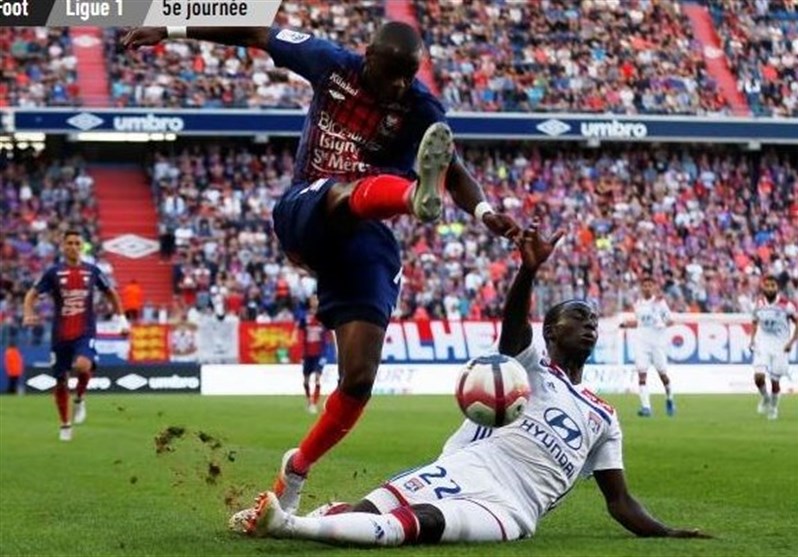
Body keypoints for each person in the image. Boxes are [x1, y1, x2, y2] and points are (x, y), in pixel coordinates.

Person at [123, 23, 520, 511]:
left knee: (359, 378)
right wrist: (171, 28)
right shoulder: (330, 64)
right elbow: (257, 31)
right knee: (340, 192)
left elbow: (455, 173)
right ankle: (412, 196)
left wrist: (484, 212)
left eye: (409, 75)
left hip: (365, 234)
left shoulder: (421, 108)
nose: (401, 85)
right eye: (393, 74)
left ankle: (294, 473)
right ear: (368, 56)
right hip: (307, 208)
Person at [228, 222, 708, 545]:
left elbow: (619, 500)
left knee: (420, 526)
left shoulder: (604, 415)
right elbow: (513, 331)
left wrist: (667, 533)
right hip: (468, 464)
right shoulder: (529, 369)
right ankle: (313, 513)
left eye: (593, 321)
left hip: (513, 506)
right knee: (368, 510)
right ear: (550, 331)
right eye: (577, 317)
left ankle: (288, 525)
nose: (589, 325)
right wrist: (528, 271)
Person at [23, 230, 130, 441]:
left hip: (85, 331)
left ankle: (79, 398)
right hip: (60, 334)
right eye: (69, 243)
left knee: (82, 366)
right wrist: (28, 313)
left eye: (76, 243)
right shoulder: (53, 272)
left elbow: (111, 293)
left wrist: (122, 321)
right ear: (63, 246)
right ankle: (65, 424)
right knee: (60, 381)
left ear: (82, 247)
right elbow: (32, 294)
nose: (73, 246)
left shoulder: (92, 271)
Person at [619, 275, 675, 417]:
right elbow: (640, 323)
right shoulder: (638, 304)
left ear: (654, 287)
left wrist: (662, 323)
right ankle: (646, 407)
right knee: (642, 374)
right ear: (641, 288)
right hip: (641, 343)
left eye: (650, 285)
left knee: (663, 375)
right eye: (645, 285)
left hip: (657, 344)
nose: (647, 288)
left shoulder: (660, 302)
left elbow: (670, 321)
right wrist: (626, 324)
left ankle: (669, 399)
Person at [749, 275, 798, 420]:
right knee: (758, 377)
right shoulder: (758, 303)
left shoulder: (786, 305)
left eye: (773, 285)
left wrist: (791, 342)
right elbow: (754, 322)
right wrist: (752, 339)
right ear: (763, 287)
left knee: (775, 380)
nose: (770, 288)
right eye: (767, 285)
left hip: (780, 346)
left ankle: (774, 407)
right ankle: (765, 398)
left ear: (777, 287)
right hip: (762, 343)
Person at [295, 295, 330, 414]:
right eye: (312, 300)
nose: (314, 302)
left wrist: (328, 350)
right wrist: (301, 352)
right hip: (307, 353)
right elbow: (299, 331)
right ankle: (309, 401)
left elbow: (329, 333)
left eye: (316, 300)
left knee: (317, 379)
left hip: (320, 353)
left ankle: (314, 403)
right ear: (310, 302)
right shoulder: (305, 317)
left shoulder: (323, 316)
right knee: (305, 381)